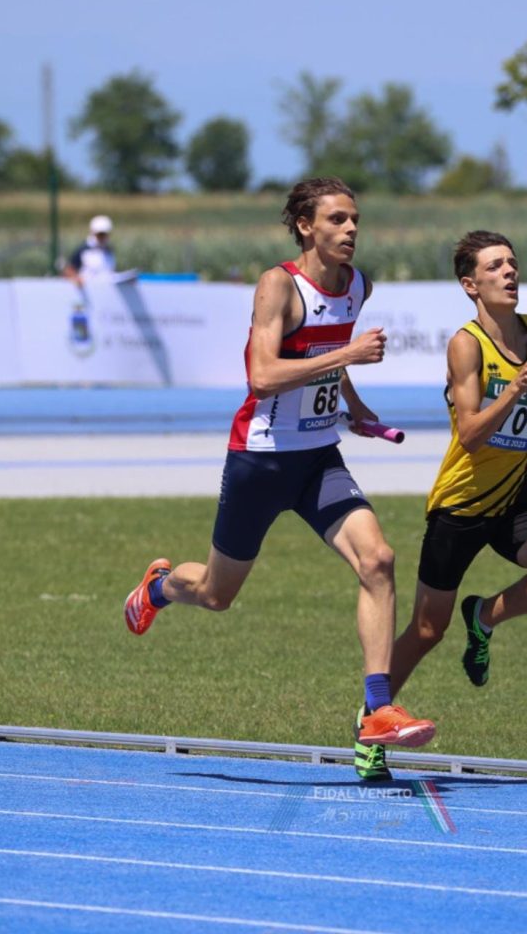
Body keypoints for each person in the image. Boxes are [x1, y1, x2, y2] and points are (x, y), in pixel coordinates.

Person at [124, 177, 436, 751]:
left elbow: (325, 357)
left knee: (379, 559)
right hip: (261, 459)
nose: (350, 230)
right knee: (218, 595)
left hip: (318, 457)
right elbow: (263, 376)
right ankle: (161, 587)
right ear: (305, 226)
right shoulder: (278, 286)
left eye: (355, 219)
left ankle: (377, 707)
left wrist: (357, 409)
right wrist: (349, 354)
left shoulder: (357, 285)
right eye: (337, 220)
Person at [353, 229, 527, 780]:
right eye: (495, 266)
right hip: (461, 505)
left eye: (512, 263)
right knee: (427, 630)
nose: (510, 272)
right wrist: (516, 390)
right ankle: (371, 725)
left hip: (516, 498)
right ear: (470, 284)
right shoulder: (466, 343)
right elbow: (473, 433)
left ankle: (482, 617)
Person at [62, 215, 116, 285]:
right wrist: (76, 278)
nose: (103, 237)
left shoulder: (109, 251)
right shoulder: (83, 250)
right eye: (100, 234)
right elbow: (69, 270)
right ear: (93, 233)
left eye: (105, 234)